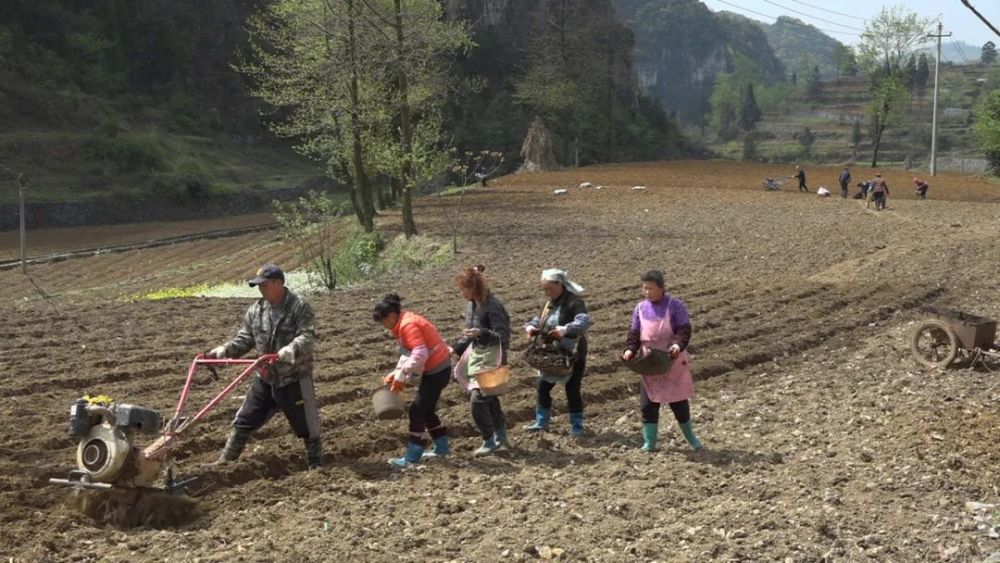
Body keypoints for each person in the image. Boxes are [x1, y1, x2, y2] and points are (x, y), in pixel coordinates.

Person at [205, 264, 321, 470]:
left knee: (307, 425)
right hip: (266, 376)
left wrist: (292, 348)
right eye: (259, 286)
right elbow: (246, 338)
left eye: (264, 285)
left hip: (293, 376)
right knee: (244, 419)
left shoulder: (299, 306)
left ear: (278, 283)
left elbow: (308, 335)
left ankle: (316, 465)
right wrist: (225, 349)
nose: (261, 289)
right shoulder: (256, 310)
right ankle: (225, 462)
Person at [621, 271, 701, 453]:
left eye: (650, 288)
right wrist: (629, 350)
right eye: (644, 288)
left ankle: (692, 439)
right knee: (648, 405)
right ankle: (649, 443)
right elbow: (634, 334)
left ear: (661, 288)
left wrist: (677, 346)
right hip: (650, 362)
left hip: (671, 361)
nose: (647, 292)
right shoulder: (640, 308)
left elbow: (684, 330)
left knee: (678, 404)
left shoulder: (675, 306)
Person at [374, 293, 452, 468]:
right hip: (438, 368)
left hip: (437, 370)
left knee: (416, 411)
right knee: (427, 410)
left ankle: (412, 457)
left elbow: (420, 353)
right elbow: (408, 353)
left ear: (391, 316)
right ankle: (442, 447)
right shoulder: (404, 322)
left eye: (383, 322)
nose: (384, 327)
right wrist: (397, 372)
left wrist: (403, 373)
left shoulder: (408, 325)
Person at [450, 265, 511, 456]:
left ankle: (489, 439)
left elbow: (503, 335)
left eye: (463, 289)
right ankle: (501, 437)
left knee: (478, 400)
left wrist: (481, 332)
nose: (461, 293)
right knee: (489, 398)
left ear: (474, 288)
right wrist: (454, 348)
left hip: (493, 358)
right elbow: (469, 334)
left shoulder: (493, 306)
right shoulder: (471, 306)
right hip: (478, 357)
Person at [523, 269, 592, 437]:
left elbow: (584, 322)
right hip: (552, 354)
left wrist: (564, 330)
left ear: (560, 285)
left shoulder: (574, 302)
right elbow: (539, 319)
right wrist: (531, 326)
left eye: (550, 289)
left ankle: (577, 427)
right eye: (544, 290)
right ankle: (541, 422)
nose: (547, 293)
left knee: (572, 390)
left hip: (572, 354)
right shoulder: (549, 303)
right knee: (543, 387)